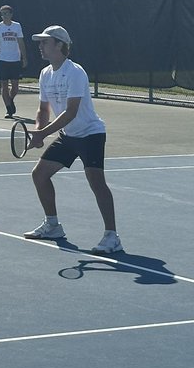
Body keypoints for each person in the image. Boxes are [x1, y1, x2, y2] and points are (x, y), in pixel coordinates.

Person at [22, 25, 122, 255]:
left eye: (45, 42)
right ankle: (53, 225)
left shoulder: (76, 72)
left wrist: (43, 134)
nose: (40, 46)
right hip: (68, 135)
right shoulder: (45, 73)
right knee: (39, 174)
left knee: (96, 182)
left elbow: (71, 112)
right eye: (40, 42)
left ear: (59, 45)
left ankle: (112, 237)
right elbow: (43, 108)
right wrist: (39, 129)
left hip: (90, 134)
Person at [0, 5, 27, 118]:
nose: (4, 16)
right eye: (2, 14)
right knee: (4, 86)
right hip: (2, 60)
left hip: (15, 60)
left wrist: (24, 58)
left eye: (6, 13)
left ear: (11, 14)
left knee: (15, 87)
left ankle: (10, 100)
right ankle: (9, 109)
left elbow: (21, 43)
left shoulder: (17, 26)